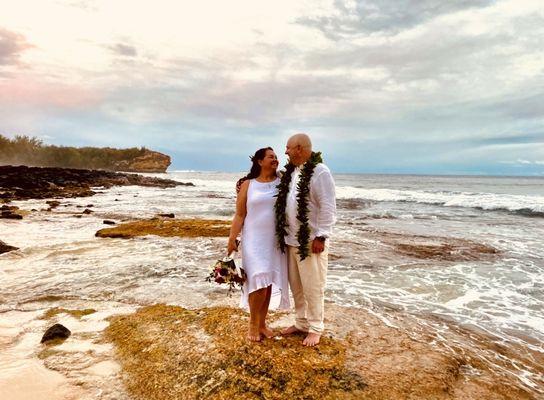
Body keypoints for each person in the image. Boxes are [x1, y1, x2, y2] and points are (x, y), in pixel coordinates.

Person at [275, 133, 336, 346]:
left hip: (310, 242)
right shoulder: (292, 172)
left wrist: (321, 236)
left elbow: (328, 205)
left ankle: (316, 327)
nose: (285, 152)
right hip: (291, 240)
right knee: (297, 287)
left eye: (288, 147)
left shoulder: (320, 172)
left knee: (313, 286)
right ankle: (301, 323)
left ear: (299, 148)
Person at [227, 147, 290, 342]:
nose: (275, 159)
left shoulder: (282, 182)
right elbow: (240, 214)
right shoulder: (248, 184)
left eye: (276, 157)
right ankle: (252, 325)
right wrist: (231, 239)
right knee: (257, 282)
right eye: (271, 157)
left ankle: (262, 324)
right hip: (253, 240)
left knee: (268, 281)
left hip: (274, 240)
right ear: (259, 161)